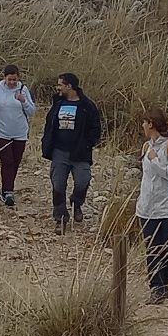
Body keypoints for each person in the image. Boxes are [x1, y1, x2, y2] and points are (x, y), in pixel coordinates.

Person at [41, 72, 102, 233]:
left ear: (69, 86)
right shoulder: (58, 103)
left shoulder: (87, 106)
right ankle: (60, 219)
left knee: (83, 182)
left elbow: (96, 128)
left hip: (80, 153)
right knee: (58, 185)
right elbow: (49, 124)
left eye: (61, 84)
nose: (58, 87)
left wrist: (88, 144)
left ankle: (76, 202)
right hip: (59, 152)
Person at [136, 108, 168, 303]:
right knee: (152, 249)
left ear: (152, 124)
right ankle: (156, 287)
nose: (142, 126)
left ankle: (165, 281)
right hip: (148, 208)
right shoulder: (146, 146)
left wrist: (155, 160)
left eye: (144, 122)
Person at [0, 64, 36, 206]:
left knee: (16, 162)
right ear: (4, 77)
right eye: (9, 79)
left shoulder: (23, 89)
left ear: (18, 77)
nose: (12, 82)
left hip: (19, 133)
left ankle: (6, 188)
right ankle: (8, 191)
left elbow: (31, 111)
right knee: (7, 160)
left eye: (14, 79)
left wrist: (23, 101)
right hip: (0, 131)